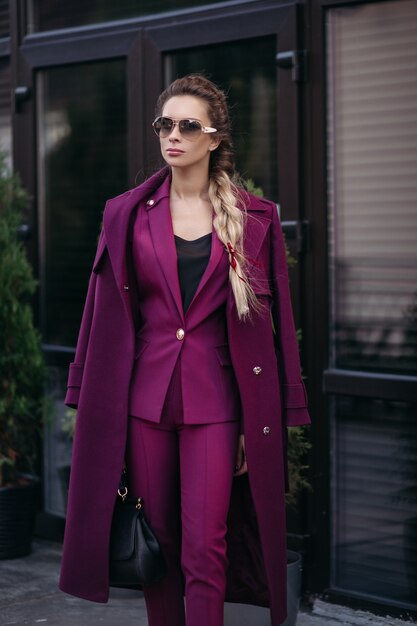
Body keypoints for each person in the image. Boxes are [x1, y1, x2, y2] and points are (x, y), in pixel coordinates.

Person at [59, 74, 310, 626]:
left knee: (205, 546)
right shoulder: (125, 213)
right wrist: (83, 389)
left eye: (188, 126)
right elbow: (99, 309)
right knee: (161, 545)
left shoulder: (253, 219)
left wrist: (267, 411)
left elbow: (272, 324)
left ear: (215, 138)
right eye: (164, 124)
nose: (173, 135)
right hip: (143, 401)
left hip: (217, 403)